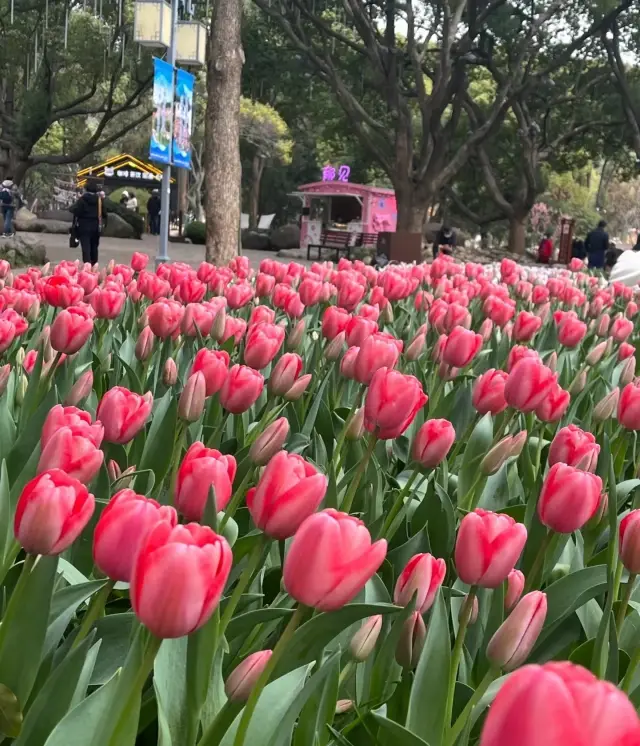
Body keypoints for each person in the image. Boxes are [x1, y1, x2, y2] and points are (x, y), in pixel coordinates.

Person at [70, 180, 107, 265]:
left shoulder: (82, 199)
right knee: (94, 246)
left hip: (84, 226)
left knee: (85, 246)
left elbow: (75, 210)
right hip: (95, 226)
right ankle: (94, 264)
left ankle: (87, 265)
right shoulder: (99, 200)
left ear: (86, 189)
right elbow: (104, 213)